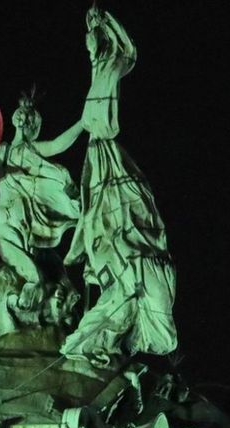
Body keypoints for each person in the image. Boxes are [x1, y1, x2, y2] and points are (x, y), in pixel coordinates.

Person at [61, 7, 178, 363]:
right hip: (96, 154)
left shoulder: (113, 64)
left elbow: (130, 51)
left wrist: (106, 21)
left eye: (95, 41)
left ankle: (127, 256)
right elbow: (81, 127)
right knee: (100, 217)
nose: (90, 46)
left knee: (125, 209)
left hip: (108, 151)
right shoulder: (96, 70)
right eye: (88, 42)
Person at [0, 92, 84, 338]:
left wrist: (83, 123)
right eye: (22, 117)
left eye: (29, 119)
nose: (24, 121)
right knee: (24, 266)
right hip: (7, 218)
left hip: (28, 221)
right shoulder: (4, 149)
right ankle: (21, 302)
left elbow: (58, 145)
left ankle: (30, 308)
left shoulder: (34, 148)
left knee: (33, 261)